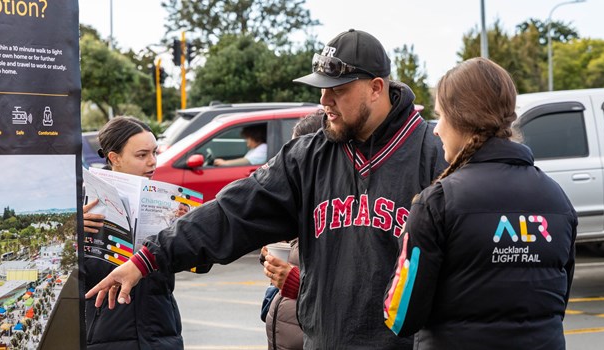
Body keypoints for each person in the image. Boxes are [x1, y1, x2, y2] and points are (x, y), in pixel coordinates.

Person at [86, 29, 446, 349]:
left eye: (337, 90)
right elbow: (234, 211)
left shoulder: (434, 158)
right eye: (321, 89)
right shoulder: (308, 157)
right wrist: (149, 257)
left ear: (376, 88)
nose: (324, 101)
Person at [383, 58, 578, 350]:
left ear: (461, 118)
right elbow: (556, 302)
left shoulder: (437, 201)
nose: (436, 130)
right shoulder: (557, 199)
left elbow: (401, 316)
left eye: (440, 116)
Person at [82, 116, 184, 349]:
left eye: (155, 153)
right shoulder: (84, 205)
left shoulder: (167, 200)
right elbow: (71, 274)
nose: (152, 162)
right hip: (106, 335)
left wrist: (182, 228)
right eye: (142, 155)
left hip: (161, 333)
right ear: (114, 158)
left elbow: (200, 264)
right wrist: (72, 234)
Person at [259, 111, 323, 350]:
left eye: (298, 151)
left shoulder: (337, 209)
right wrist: (269, 257)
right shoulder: (301, 198)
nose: (290, 161)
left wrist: (297, 283)